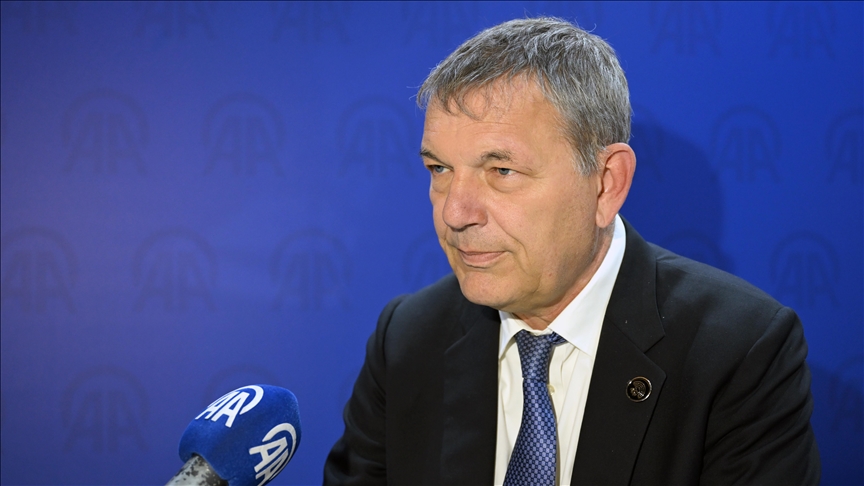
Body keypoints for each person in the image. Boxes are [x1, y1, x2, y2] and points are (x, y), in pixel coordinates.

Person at [324, 17, 820, 485]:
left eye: (501, 171)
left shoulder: (740, 351)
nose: (455, 212)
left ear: (606, 184)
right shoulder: (407, 339)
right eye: (440, 169)